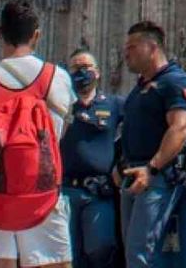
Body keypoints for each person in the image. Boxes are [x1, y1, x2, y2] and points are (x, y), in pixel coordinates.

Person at [0, 0, 76, 268]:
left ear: (0, 34)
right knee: (53, 263)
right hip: (43, 190)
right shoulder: (57, 77)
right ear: (37, 34)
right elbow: (61, 131)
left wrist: (2, 158)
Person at [116, 21, 186, 268]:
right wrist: (119, 164)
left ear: (152, 47)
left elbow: (181, 128)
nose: (125, 53)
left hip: (156, 178)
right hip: (133, 174)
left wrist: (151, 169)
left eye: (132, 46)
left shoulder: (175, 82)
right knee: (133, 254)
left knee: (142, 256)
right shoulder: (139, 88)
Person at [61, 48, 123, 268]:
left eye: (86, 67)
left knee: (102, 248)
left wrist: (122, 163)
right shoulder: (60, 105)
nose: (82, 72)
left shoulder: (113, 104)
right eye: (76, 68)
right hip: (65, 191)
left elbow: (138, 130)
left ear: (97, 73)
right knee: (68, 254)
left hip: (98, 190)